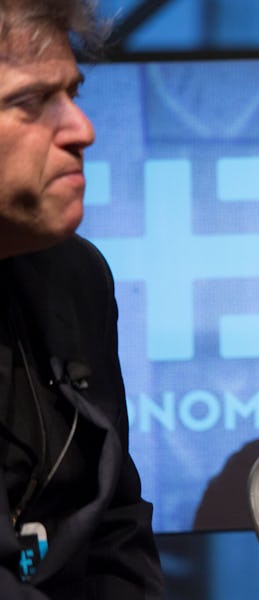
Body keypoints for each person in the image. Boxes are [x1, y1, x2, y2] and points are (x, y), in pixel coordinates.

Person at [0, 1, 164, 597]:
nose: (83, 129)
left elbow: (116, 525)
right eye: (30, 102)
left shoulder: (78, 275)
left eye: (72, 93)